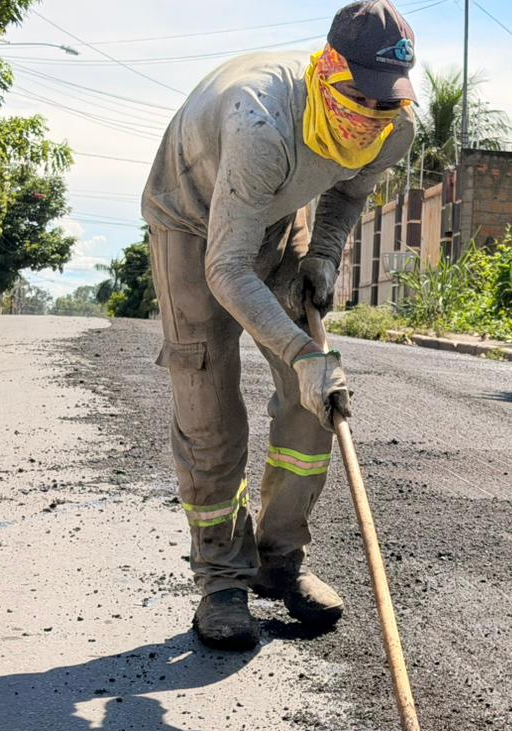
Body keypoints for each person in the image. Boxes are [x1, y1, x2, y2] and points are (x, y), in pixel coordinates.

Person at [142, 1, 417, 650]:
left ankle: (280, 560)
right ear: (326, 70)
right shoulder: (262, 120)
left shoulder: (395, 126)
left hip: (276, 209)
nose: (370, 118)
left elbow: (349, 189)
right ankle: (222, 581)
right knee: (208, 401)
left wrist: (323, 254)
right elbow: (226, 267)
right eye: (359, 96)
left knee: (315, 402)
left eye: (387, 102)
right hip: (193, 218)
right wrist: (299, 350)